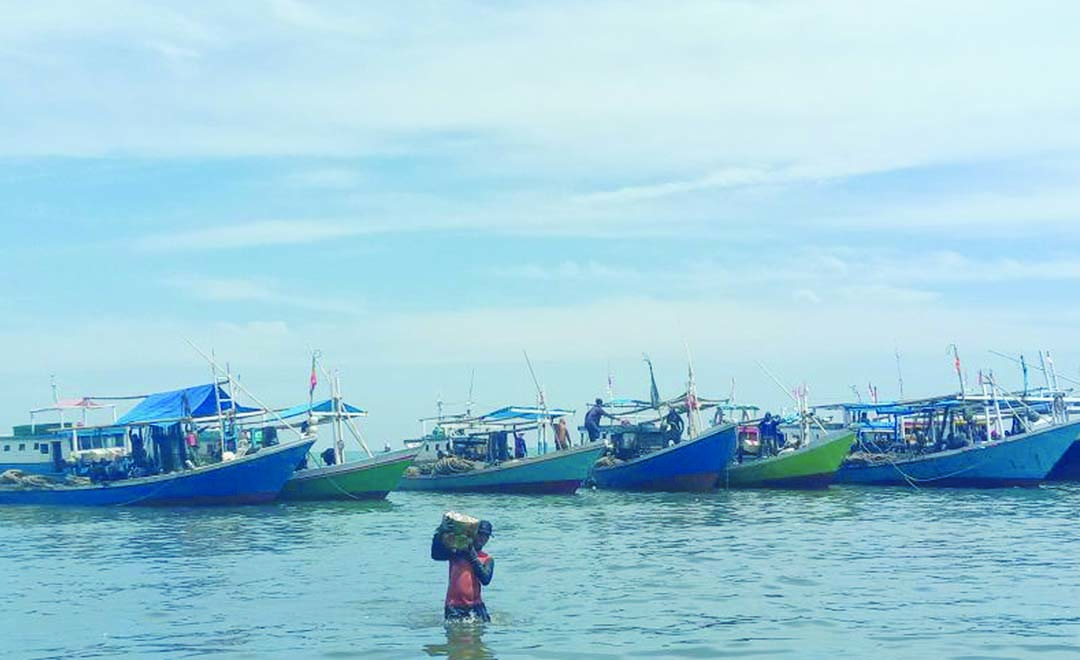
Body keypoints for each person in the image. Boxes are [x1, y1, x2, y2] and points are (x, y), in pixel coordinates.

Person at [432, 519, 494, 622]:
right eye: (480, 534)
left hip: (476, 605)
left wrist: (473, 557)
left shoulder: (487, 559)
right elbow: (436, 555)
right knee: (455, 636)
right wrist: (439, 533)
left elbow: (485, 579)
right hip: (454, 606)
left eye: (486, 536)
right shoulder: (457, 553)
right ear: (473, 534)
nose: (483, 538)